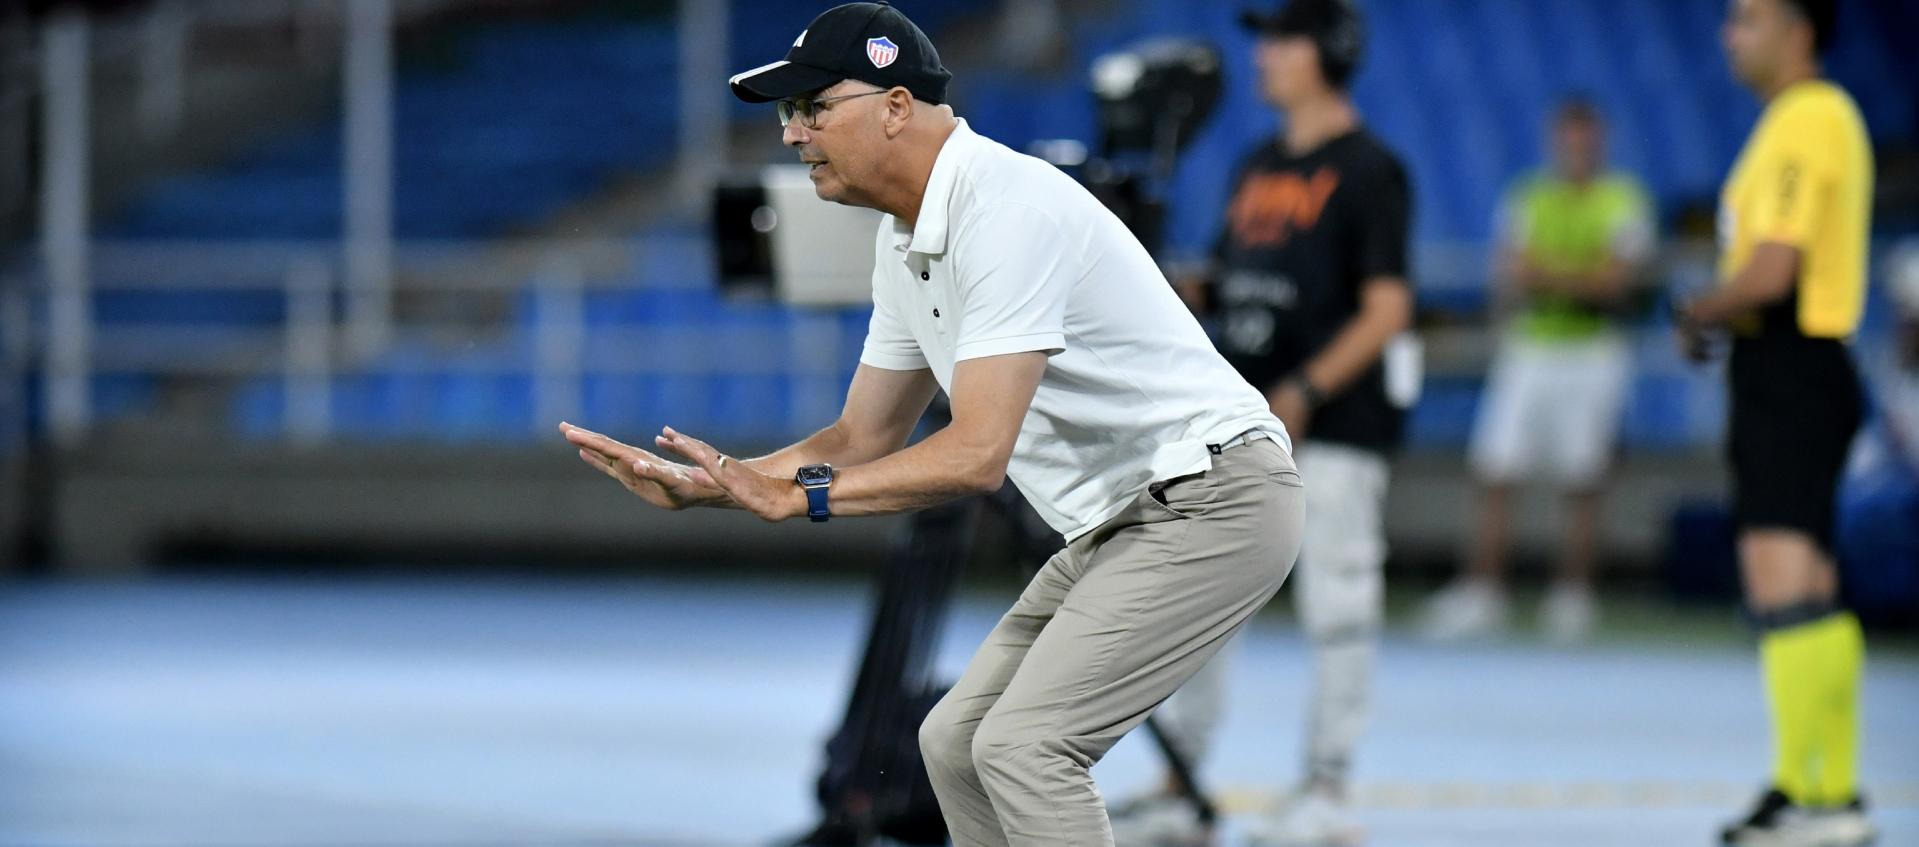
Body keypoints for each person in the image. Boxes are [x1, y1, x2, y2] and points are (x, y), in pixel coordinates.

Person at [563, 4, 1306, 845]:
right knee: (954, 745)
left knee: (1025, 746)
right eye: (787, 114)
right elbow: (860, 437)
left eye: (812, 108)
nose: (792, 134)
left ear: (894, 106)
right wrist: (717, 484)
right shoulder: (905, 236)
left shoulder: (1006, 208)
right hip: (1125, 520)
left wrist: (801, 496)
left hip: (1213, 499)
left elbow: (977, 454)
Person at [1109, 2, 1414, 845]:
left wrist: (1305, 390)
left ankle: (1327, 788)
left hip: (1332, 427)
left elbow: (1387, 308)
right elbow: (1229, 278)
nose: (1264, 55)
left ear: (1327, 53)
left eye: (1283, 40)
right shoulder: (1257, 163)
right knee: (1200, 604)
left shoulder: (1369, 169)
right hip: (1242, 425)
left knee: (1338, 607)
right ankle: (1181, 786)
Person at [1678, 0, 1876, 844]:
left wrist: (1699, 307)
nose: (1730, 35)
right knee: (1809, 585)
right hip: (1794, 367)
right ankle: (1825, 788)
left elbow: (1771, 270)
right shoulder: (1800, 120)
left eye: (1747, 19)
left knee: (1780, 580)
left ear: (1798, 32)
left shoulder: (1807, 118)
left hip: (1790, 365)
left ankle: (1813, 794)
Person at [1418, 97, 1655, 644]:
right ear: (1556, 142)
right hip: (1530, 348)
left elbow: (1617, 283)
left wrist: (1549, 276)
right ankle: (1483, 590)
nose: (1576, 150)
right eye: (1568, 140)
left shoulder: (1624, 199)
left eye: (1585, 141)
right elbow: (1511, 272)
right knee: (1495, 470)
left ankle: (1572, 596)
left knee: (1584, 478)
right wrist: (1582, 277)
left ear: (1599, 143)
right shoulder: (1529, 196)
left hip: (1594, 351)